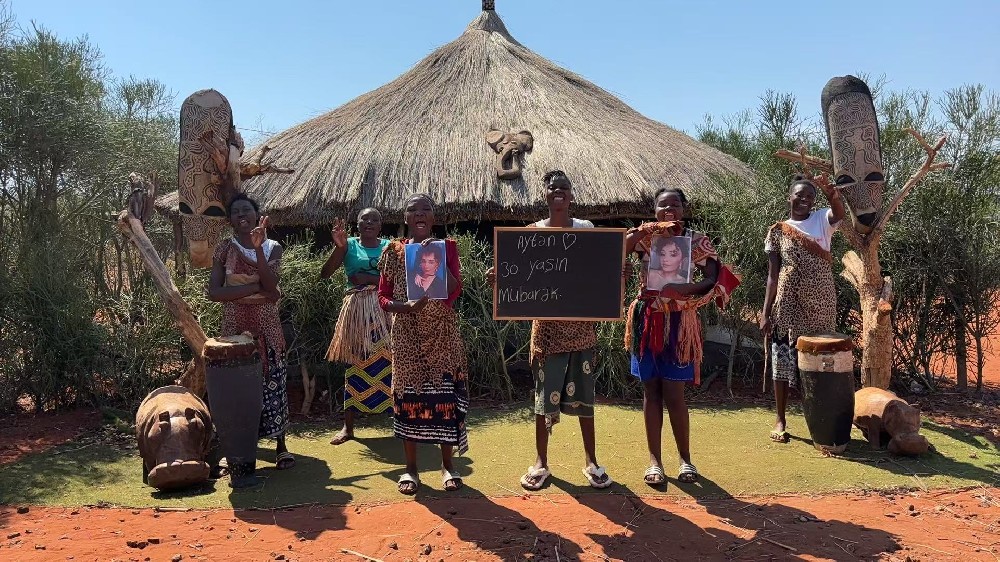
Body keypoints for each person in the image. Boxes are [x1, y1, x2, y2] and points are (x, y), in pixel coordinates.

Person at [490, 170, 619, 491]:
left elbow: (603, 268)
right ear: (545, 195)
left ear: (571, 195)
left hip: (582, 331)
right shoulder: (532, 233)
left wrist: (620, 268)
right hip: (546, 334)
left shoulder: (586, 231)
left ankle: (591, 461)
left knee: (586, 399)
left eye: (564, 188)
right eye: (553, 188)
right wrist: (500, 281)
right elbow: (517, 276)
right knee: (542, 402)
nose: (558, 192)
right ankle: (541, 462)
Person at [624, 187, 739, 486]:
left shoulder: (696, 242)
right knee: (650, 392)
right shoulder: (646, 238)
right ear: (654, 210)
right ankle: (654, 462)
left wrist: (683, 291)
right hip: (647, 321)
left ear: (684, 209)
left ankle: (685, 460)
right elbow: (619, 251)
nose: (669, 210)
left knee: (675, 394)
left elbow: (712, 277)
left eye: (675, 204)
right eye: (663, 206)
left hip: (679, 322)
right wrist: (641, 231)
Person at [378, 193, 468, 495]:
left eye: (425, 209)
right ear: (405, 217)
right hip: (406, 335)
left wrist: (440, 261)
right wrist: (404, 308)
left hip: (442, 335)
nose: (419, 214)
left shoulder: (447, 248)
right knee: (409, 401)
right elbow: (383, 297)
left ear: (433, 217)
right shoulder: (393, 251)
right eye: (413, 210)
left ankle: (447, 466)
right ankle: (411, 469)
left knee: (443, 399)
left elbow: (456, 290)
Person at [208, 194, 295, 471]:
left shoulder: (273, 248)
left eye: (247, 210)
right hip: (234, 329)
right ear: (230, 220)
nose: (241, 215)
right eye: (235, 212)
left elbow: (273, 289)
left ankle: (281, 446)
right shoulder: (224, 249)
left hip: (267, 327)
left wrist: (258, 251)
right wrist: (255, 288)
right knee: (236, 388)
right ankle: (234, 449)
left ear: (257, 215)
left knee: (273, 383)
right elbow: (215, 292)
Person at [760, 174, 845, 443]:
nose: (804, 200)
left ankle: (821, 418)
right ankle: (780, 419)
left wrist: (832, 194)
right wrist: (765, 312)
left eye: (809, 196)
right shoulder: (777, 230)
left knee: (821, 360)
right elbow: (773, 276)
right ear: (790, 196)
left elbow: (840, 212)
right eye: (799, 195)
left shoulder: (822, 219)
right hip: (787, 301)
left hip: (821, 299)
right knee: (782, 359)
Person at [321, 208, 392, 445]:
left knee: (391, 365)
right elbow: (325, 273)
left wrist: (371, 279)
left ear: (381, 225)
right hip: (357, 312)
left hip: (385, 311)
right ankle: (348, 427)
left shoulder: (390, 246)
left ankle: (400, 422)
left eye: (374, 219)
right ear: (357, 224)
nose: (369, 222)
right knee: (355, 365)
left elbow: (399, 279)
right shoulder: (348, 244)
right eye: (364, 219)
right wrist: (339, 248)